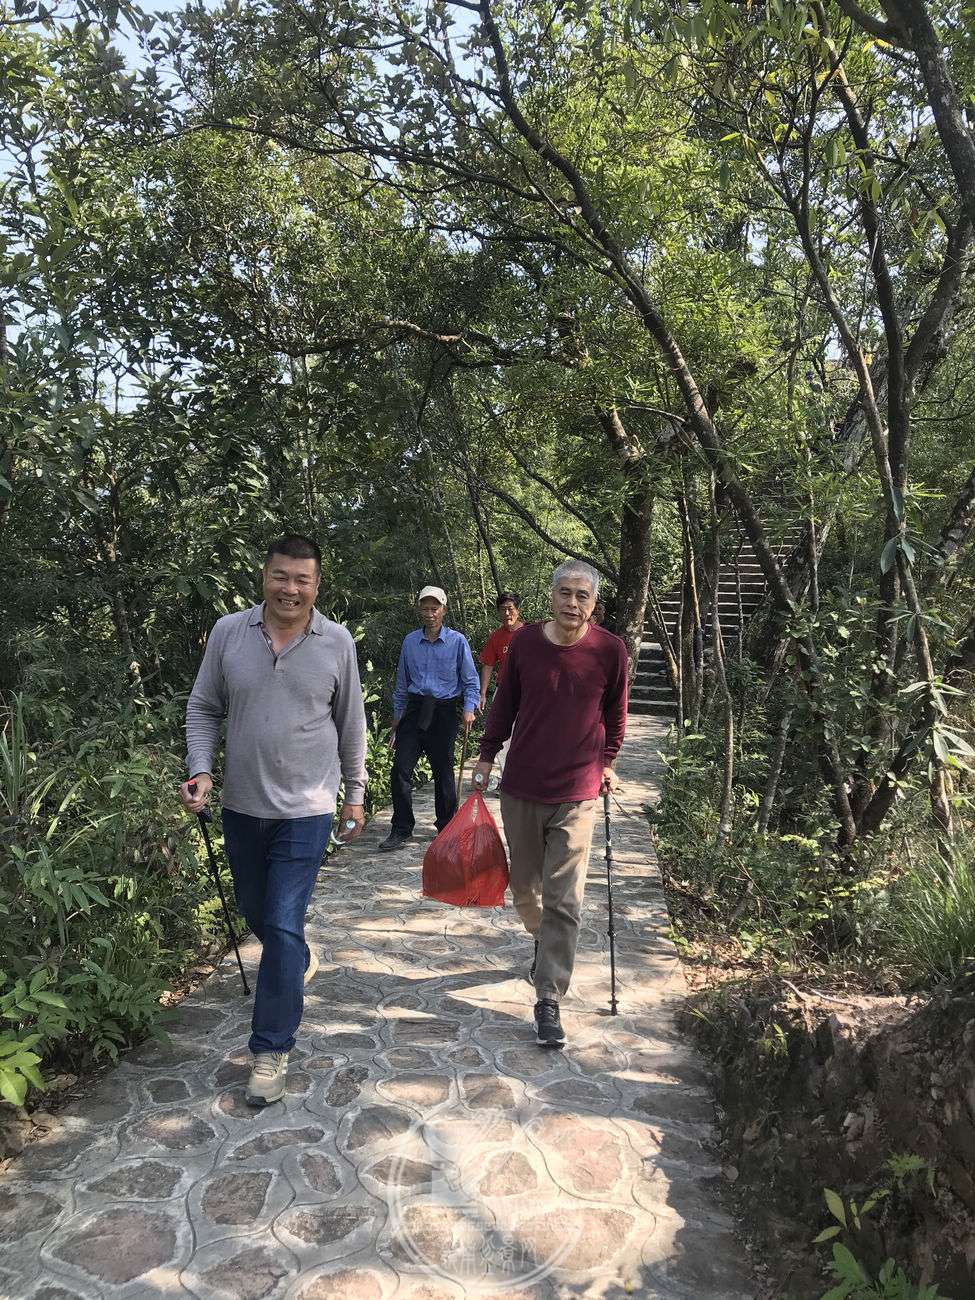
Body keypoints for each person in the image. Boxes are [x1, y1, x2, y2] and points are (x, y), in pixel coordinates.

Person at [180, 535, 367, 1106]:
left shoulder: (336, 642)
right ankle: (295, 960)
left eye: (302, 579)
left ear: (317, 585)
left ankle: (270, 1048)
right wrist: (201, 768)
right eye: (281, 576)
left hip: (307, 808)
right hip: (242, 803)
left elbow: (351, 722)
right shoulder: (228, 633)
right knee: (256, 911)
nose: (290, 589)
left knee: (282, 923)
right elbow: (203, 706)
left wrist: (355, 793)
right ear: (264, 577)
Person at [472, 560, 628, 1049]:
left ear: (594, 603)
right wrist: (486, 755)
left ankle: (548, 996)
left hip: (577, 791)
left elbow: (616, 712)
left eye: (583, 596)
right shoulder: (525, 644)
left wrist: (607, 761)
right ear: (552, 595)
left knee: (565, 899)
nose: (572, 603)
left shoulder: (610, 649)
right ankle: (544, 940)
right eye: (565, 593)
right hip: (522, 785)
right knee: (526, 890)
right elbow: (505, 704)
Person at [380, 585, 480, 852]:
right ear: (419, 610)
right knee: (400, 769)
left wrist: (469, 708)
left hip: (444, 710)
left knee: (443, 771)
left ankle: (446, 827)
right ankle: (401, 828)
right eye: (425, 608)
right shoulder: (410, 641)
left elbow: (470, 680)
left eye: (434, 608)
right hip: (414, 709)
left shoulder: (457, 641)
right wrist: (397, 720)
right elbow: (402, 684)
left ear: (444, 610)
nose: (430, 613)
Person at [478, 591, 524, 788]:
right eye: (502, 609)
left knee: (528, 733)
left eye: (510, 609)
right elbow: (488, 664)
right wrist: (482, 693)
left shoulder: (529, 633)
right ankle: (508, 779)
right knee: (503, 736)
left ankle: (527, 777)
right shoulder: (496, 636)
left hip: (528, 692)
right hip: (504, 692)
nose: (507, 613)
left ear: (518, 610)